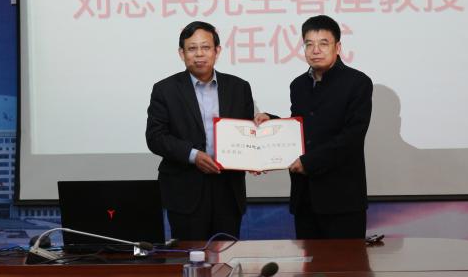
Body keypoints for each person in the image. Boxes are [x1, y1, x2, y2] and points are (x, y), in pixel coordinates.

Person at [256, 15, 373, 239]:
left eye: (323, 43)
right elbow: (299, 128)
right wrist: (271, 123)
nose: (315, 50)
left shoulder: (357, 83)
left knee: (345, 262)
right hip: (305, 197)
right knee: (308, 262)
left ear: (338, 47)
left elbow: (352, 137)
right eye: (309, 44)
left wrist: (308, 162)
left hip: (342, 200)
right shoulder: (298, 85)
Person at [146, 21, 255, 241]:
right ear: (182, 53)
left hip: (228, 190)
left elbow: (249, 128)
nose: (199, 54)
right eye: (192, 48)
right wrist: (193, 155)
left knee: (227, 255)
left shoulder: (239, 87)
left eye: (205, 47)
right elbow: (155, 137)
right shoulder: (165, 90)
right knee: (190, 255)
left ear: (217, 51)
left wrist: (259, 144)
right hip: (185, 191)